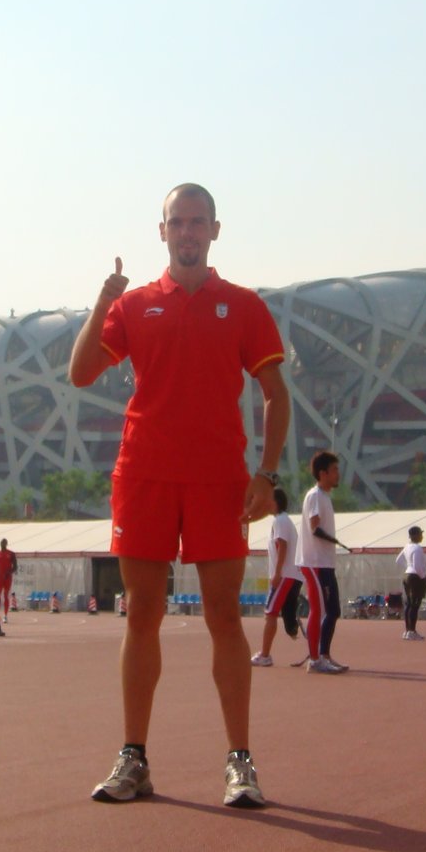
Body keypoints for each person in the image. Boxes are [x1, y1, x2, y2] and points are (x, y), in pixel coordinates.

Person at [70, 183, 290, 809]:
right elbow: (80, 373)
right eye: (177, 222)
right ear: (161, 231)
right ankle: (133, 757)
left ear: (215, 230)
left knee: (225, 617)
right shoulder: (134, 305)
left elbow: (276, 394)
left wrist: (266, 475)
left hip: (219, 480)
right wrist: (102, 300)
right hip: (144, 475)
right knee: (142, 613)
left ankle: (240, 761)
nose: (187, 232)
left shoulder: (242, 305)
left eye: (198, 222)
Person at [297, 451, 349, 674]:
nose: (338, 474)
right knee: (320, 610)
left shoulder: (325, 497)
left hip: (325, 563)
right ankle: (315, 659)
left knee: (333, 610)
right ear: (323, 473)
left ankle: (324, 655)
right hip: (314, 562)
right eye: (334, 470)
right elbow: (315, 528)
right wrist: (335, 540)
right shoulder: (315, 496)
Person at [251, 488, 303, 665]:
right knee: (284, 616)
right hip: (290, 575)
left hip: (285, 575)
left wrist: (278, 573)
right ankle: (306, 642)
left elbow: (282, 546)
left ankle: (265, 655)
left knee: (270, 612)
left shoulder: (280, 521)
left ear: (275, 502)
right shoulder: (284, 521)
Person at [396, 525, 426, 641]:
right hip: (415, 577)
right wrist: (423, 577)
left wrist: (408, 567)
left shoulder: (407, 547)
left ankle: (407, 631)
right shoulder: (417, 548)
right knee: (415, 605)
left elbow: (398, 560)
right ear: (415, 535)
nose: (422, 536)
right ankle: (412, 631)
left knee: (409, 604)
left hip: (407, 575)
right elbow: (417, 566)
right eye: (420, 534)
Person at [0, 539, 18, 624]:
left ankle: (5, 615)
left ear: (6, 544)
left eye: (4, 543)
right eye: (1, 543)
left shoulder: (11, 554)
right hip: (0, 577)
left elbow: (15, 567)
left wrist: (9, 573)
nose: (2, 545)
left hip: (7, 577)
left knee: (6, 595)